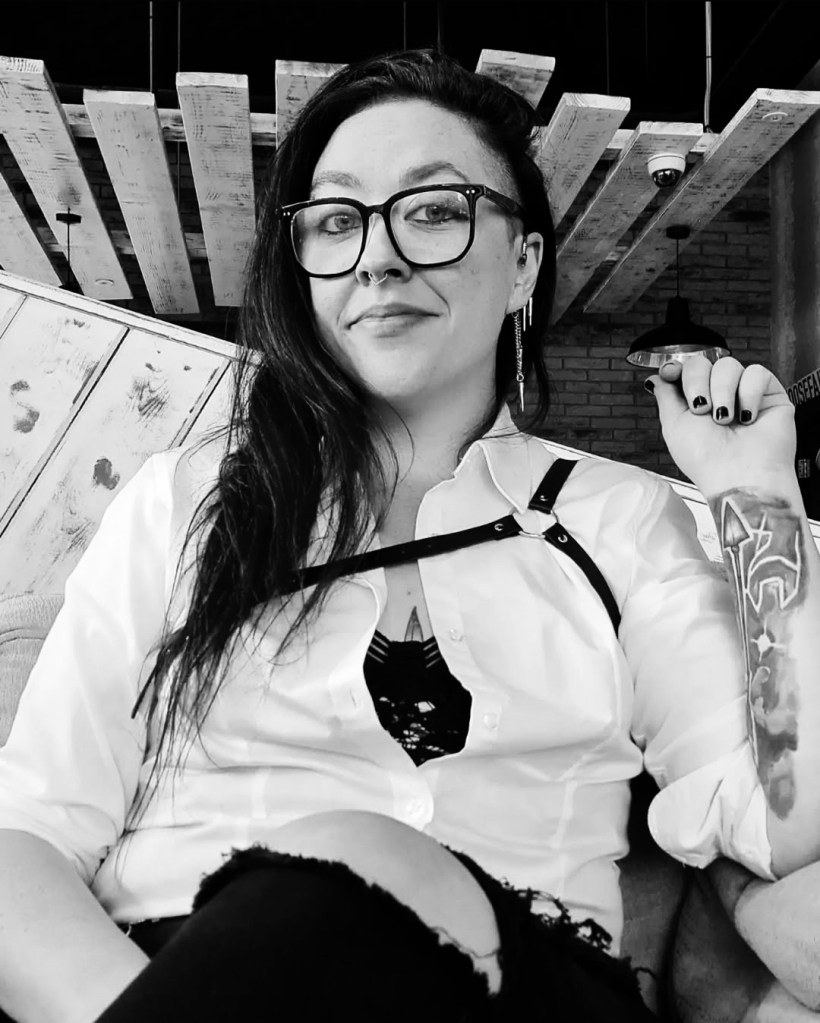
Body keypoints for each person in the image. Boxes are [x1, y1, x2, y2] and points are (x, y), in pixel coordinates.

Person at [0, 47, 818, 1023]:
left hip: (520, 989)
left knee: (359, 852)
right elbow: (27, 835)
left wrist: (759, 501)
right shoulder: (186, 503)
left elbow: (780, 818)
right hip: (177, 974)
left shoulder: (619, 520)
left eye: (432, 211)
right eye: (336, 220)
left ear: (523, 262)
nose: (376, 257)